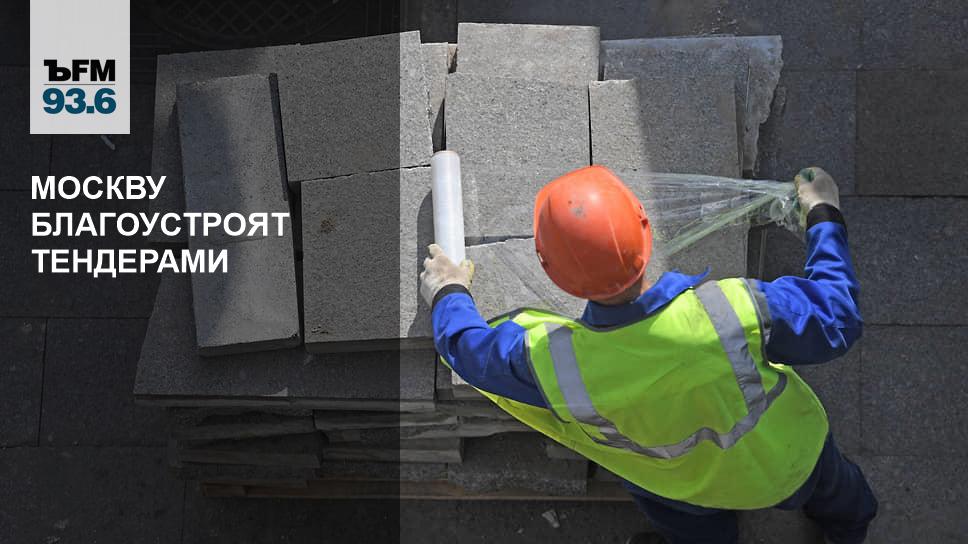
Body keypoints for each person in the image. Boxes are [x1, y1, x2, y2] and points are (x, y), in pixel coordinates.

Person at [419, 165, 877, 544]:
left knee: (694, 530)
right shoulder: (731, 311)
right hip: (788, 459)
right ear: (646, 229)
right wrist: (823, 213)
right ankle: (849, 530)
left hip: (679, 488)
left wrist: (449, 290)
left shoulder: (556, 364)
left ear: (554, 275)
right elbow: (838, 317)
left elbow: (468, 351)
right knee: (840, 495)